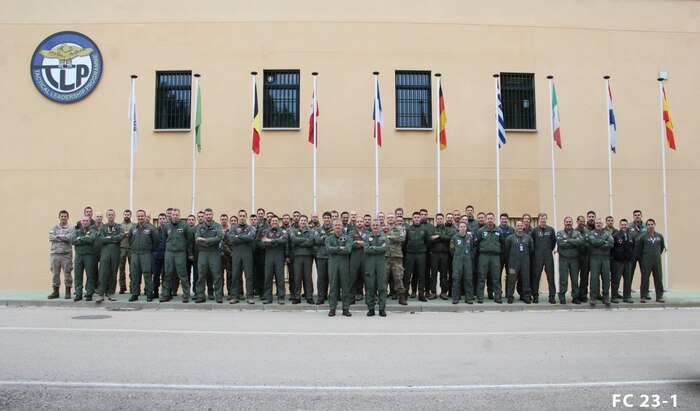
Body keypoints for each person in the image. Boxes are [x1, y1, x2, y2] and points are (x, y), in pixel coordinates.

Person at [160, 208, 193, 303]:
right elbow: (165, 238)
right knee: (168, 274)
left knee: (182, 274)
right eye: (173, 215)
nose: (175, 216)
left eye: (177, 215)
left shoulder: (185, 225)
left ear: (179, 215)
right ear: (171, 216)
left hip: (180, 253)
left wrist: (183, 248)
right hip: (169, 252)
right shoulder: (166, 226)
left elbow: (189, 238)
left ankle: (186, 295)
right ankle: (165, 294)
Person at [128, 210, 159, 302]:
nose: (140, 217)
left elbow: (156, 241)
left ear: (145, 217)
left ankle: (149, 294)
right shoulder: (133, 228)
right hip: (135, 254)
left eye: (142, 216)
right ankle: (135, 294)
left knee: (147, 274)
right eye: (139, 216)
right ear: (136, 217)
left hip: (146, 254)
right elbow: (130, 240)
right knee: (135, 274)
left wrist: (149, 250)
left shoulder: (151, 228)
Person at [194, 208, 224, 303]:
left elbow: (219, 238)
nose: (208, 216)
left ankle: (218, 296)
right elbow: (197, 240)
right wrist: (211, 241)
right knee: (201, 275)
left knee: (217, 275)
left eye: (209, 214)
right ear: (204, 216)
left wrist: (205, 240)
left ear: (212, 215)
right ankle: (200, 296)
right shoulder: (200, 227)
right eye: (206, 214)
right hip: (202, 253)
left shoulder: (217, 226)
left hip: (214, 253)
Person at [228, 210, 257, 304]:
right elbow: (231, 239)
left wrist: (238, 237)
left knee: (249, 276)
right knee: (235, 276)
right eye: (240, 215)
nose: (242, 217)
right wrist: (244, 237)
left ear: (246, 217)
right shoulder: (233, 228)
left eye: (244, 215)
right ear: (238, 217)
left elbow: (251, 237)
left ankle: (250, 297)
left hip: (247, 254)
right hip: (236, 254)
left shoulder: (250, 228)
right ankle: (234, 296)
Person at [475, 213, 505, 303]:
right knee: (481, 277)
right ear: (486, 220)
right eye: (488, 218)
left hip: (495, 257)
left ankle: (497, 296)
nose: (490, 220)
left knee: (496, 277)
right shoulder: (481, 231)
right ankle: (480, 297)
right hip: (483, 256)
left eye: (491, 218)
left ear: (494, 219)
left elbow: (503, 242)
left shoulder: (499, 231)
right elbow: (476, 243)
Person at [325, 219, 353, 317]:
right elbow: (328, 249)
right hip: (333, 264)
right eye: (336, 225)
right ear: (333, 226)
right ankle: (332, 308)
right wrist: (339, 248)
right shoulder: (328, 238)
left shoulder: (348, 238)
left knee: (345, 286)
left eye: (339, 225)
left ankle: (345, 308)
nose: (337, 226)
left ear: (342, 226)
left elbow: (348, 250)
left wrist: (335, 249)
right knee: (333, 287)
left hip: (344, 264)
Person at [96, 209, 124, 302]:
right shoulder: (103, 227)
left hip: (115, 251)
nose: (111, 216)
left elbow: (121, 236)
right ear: (107, 216)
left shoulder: (119, 226)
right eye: (109, 215)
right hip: (105, 251)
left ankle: (111, 293)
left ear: (114, 215)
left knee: (113, 272)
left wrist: (110, 237)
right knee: (103, 273)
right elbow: (101, 239)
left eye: (112, 214)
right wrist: (113, 240)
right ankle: (101, 294)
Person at [635, 219, 666, 303]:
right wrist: (645, 257)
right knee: (645, 278)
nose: (650, 226)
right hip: (646, 260)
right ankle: (643, 296)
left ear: (654, 225)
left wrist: (656, 255)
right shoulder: (643, 237)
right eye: (648, 224)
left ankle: (659, 296)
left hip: (657, 260)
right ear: (646, 226)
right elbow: (640, 250)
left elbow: (662, 247)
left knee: (658, 278)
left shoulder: (659, 236)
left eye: (652, 224)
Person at [403, 212, 432, 302]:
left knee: (421, 275)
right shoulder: (408, 229)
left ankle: (421, 295)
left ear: (420, 218)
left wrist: (422, 248)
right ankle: (405, 294)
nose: (416, 218)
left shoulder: (424, 229)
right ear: (412, 218)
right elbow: (405, 242)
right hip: (410, 254)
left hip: (421, 254)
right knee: (407, 275)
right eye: (415, 217)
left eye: (418, 217)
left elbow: (428, 241)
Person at [503, 221, 533, 304]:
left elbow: (531, 250)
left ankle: (526, 296)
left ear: (523, 226)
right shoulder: (510, 238)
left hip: (525, 263)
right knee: (511, 279)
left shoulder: (528, 238)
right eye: (518, 225)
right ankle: (510, 296)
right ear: (515, 227)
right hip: (513, 263)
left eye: (521, 225)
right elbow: (506, 251)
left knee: (525, 279)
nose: (519, 227)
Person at [261, 215, 288, 304]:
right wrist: (276, 241)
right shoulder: (266, 231)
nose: (274, 222)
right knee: (268, 278)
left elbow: (284, 241)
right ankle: (268, 297)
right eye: (273, 221)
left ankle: (281, 297)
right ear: (270, 222)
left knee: (280, 278)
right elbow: (263, 243)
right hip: (269, 257)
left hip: (279, 257)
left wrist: (270, 241)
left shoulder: (283, 231)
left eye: (276, 221)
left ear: (278, 222)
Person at [586, 218, 614, 307]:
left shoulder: (608, 233)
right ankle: (593, 298)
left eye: (600, 223)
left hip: (605, 258)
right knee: (594, 278)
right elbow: (593, 242)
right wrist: (603, 241)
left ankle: (606, 297)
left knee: (606, 278)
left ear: (602, 224)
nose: (598, 224)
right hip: (594, 257)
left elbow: (610, 244)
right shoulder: (591, 233)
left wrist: (598, 243)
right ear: (595, 224)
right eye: (597, 223)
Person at [530, 213, 557, 304]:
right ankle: (535, 296)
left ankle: (552, 296)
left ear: (546, 219)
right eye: (541, 218)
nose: (543, 220)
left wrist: (549, 250)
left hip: (548, 255)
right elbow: (531, 243)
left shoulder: (551, 230)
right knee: (536, 276)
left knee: (550, 276)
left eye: (544, 218)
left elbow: (553, 242)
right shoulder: (534, 230)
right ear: (538, 220)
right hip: (537, 256)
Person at [364, 219, 389, 316]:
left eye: (377, 225)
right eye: (373, 225)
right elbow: (366, 250)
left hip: (381, 265)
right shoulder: (367, 237)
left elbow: (385, 248)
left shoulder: (384, 237)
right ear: (371, 226)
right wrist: (379, 249)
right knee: (370, 287)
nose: (375, 226)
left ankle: (382, 309)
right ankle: (371, 309)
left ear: (380, 226)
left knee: (382, 287)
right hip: (370, 265)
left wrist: (373, 247)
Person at [556, 216, 583, 304]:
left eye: (570, 221)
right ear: (564, 223)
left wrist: (567, 240)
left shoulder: (577, 232)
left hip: (574, 260)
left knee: (575, 279)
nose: (568, 223)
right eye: (567, 221)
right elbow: (561, 244)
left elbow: (580, 242)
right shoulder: (560, 233)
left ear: (572, 223)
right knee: (563, 279)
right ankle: (562, 297)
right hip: (564, 259)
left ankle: (575, 297)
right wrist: (573, 242)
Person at [48, 210, 74, 300]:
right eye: (62, 216)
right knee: (55, 273)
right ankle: (56, 291)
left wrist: (57, 236)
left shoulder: (71, 228)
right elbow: (51, 237)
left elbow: (69, 237)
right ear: (59, 217)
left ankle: (68, 291)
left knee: (67, 273)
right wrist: (62, 237)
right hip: (55, 254)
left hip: (66, 254)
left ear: (67, 217)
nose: (63, 218)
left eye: (65, 216)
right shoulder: (54, 227)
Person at [289, 215, 314, 304]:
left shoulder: (310, 231)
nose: (303, 222)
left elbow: (310, 241)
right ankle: (297, 297)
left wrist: (299, 242)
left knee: (308, 277)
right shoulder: (294, 230)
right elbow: (293, 240)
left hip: (307, 256)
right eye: (301, 220)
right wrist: (304, 240)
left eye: (304, 220)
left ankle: (309, 297)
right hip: (297, 256)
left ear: (306, 222)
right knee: (297, 277)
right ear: (299, 222)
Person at [71, 215, 95, 302]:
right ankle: (78, 293)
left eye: (87, 221)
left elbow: (92, 239)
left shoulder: (93, 231)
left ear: (89, 222)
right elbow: (73, 241)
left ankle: (89, 293)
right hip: (78, 255)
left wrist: (80, 239)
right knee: (77, 275)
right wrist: (85, 239)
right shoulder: (76, 231)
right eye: (83, 221)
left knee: (90, 275)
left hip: (89, 255)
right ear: (81, 222)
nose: (85, 222)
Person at [449, 221, 474, 304]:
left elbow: (472, 249)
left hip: (467, 261)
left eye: (464, 226)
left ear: (466, 228)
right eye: (461, 226)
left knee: (468, 279)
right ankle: (455, 298)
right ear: (458, 228)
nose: (462, 228)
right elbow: (452, 250)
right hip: (457, 260)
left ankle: (469, 298)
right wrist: (457, 256)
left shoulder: (470, 237)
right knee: (456, 279)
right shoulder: (454, 238)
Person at [611, 219, 635, 303]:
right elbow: (611, 248)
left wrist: (631, 257)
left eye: (625, 224)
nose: (624, 226)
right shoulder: (615, 235)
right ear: (619, 225)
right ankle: (614, 297)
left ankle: (627, 297)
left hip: (628, 262)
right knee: (616, 280)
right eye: (622, 224)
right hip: (618, 261)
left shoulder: (631, 235)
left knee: (628, 280)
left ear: (627, 225)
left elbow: (634, 248)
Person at [385, 214, 407, 305]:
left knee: (398, 277)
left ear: (395, 219)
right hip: (385, 257)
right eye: (389, 217)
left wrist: (390, 237)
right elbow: (380, 238)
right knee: (383, 278)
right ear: (387, 219)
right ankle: (382, 297)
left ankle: (401, 297)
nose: (390, 219)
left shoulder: (400, 228)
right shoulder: (382, 229)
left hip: (396, 257)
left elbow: (402, 238)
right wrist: (393, 238)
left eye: (392, 217)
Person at [430, 213, 451, 300]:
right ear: (436, 219)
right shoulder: (432, 229)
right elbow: (430, 239)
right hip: (434, 254)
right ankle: (433, 292)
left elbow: (449, 238)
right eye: (438, 219)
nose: (439, 220)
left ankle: (443, 292)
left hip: (445, 254)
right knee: (433, 274)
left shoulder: (447, 229)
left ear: (443, 219)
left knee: (443, 274)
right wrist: (442, 238)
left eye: (441, 218)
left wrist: (438, 236)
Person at [314, 212, 334, 305]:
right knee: (321, 278)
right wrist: (326, 238)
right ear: (323, 219)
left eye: (328, 218)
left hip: (331, 257)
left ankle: (332, 296)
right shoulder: (318, 229)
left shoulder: (334, 229)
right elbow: (317, 240)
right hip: (321, 256)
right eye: (325, 217)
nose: (326, 219)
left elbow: (334, 241)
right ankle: (321, 297)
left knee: (331, 278)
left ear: (330, 219)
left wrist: (324, 238)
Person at [575, 215, 591, 303]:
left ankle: (583, 294)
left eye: (583, 221)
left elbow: (590, 242)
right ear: (577, 222)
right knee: (575, 277)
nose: (582, 223)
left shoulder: (587, 231)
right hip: (576, 257)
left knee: (584, 277)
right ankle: (576, 294)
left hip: (586, 257)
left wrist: (583, 244)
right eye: (580, 221)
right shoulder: (574, 232)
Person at [151, 213, 167, 299]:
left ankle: (165, 292)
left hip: (165, 255)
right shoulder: (155, 230)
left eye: (163, 218)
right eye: (160, 218)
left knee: (165, 275)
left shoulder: (168, 230)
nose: (161, 220)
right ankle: (155, 292)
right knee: (156, 275)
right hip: (156, 255)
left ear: (166, 219)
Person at [118, 209, 133, 294]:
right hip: (121, 248)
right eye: (125, 214)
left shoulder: (134, 225)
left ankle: (132, 287)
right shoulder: (119, 226)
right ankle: (122, 287)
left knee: (132, 269)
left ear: (130, 215)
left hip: (131, 249)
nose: (126, 216)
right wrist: (124, 234)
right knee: (121, 269)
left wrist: (128, 234)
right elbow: (118, 236)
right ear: (123, 215)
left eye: (128, 214)